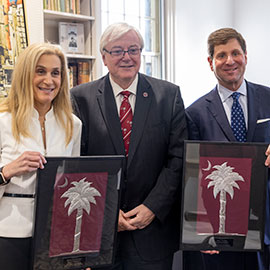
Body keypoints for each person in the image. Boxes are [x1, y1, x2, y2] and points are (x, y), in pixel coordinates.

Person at [71, 22, 187, 270]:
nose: (126, 57)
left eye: (133, 50)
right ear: (104, 56)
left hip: (152, 233)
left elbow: (177, 159)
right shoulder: (80, 98)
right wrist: (107, 213)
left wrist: (152, 207)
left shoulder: (169, 95)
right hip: (99, 235)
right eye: (117, 51)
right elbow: (77, 164)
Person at [184, 27, 270, 270]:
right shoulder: (195, 114)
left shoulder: (269, 98)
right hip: (220, 227)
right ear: (211, 62)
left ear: (246, 56)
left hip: (267, 222)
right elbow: (193, 178)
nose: (230, 61)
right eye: (221, 55)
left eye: (235, 53)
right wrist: (199, 232)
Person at [0, 43, 82, 270]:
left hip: (55, 235)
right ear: (26, 75)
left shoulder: (73, 125)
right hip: (8, 233)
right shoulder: (3, 120)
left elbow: (74, 186)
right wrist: (7, 170)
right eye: (40, 71)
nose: (49, 80)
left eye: (56, 73)